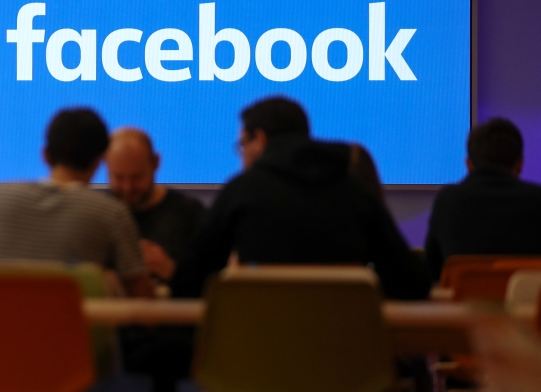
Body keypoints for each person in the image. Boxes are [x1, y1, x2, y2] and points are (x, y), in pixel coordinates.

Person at [171, 96, 430, 301]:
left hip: (258, 357)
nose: (242, 157)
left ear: (260, 140)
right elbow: (412, 283)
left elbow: (188, 283)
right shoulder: (354, 192)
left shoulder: (242, 191)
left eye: (242, 146)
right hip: (345, 359)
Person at [0, 108, 153, 298]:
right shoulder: (112, 214)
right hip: (77, 344)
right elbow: (142, 300)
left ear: (46, 155)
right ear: (100, 160)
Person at [424, 118, 541, 282]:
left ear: (469, 164)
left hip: (462, 305)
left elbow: (433, 271)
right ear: (520, 164)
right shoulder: (537, 200)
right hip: (526, 305)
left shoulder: (447, 201)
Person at [105, 127, 205, 281]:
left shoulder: (190, 214)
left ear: (155, 163)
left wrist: (170, 270)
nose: (128, 187)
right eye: (118, 178)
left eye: (136, 177)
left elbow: (211, 284)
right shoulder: (98, 214)